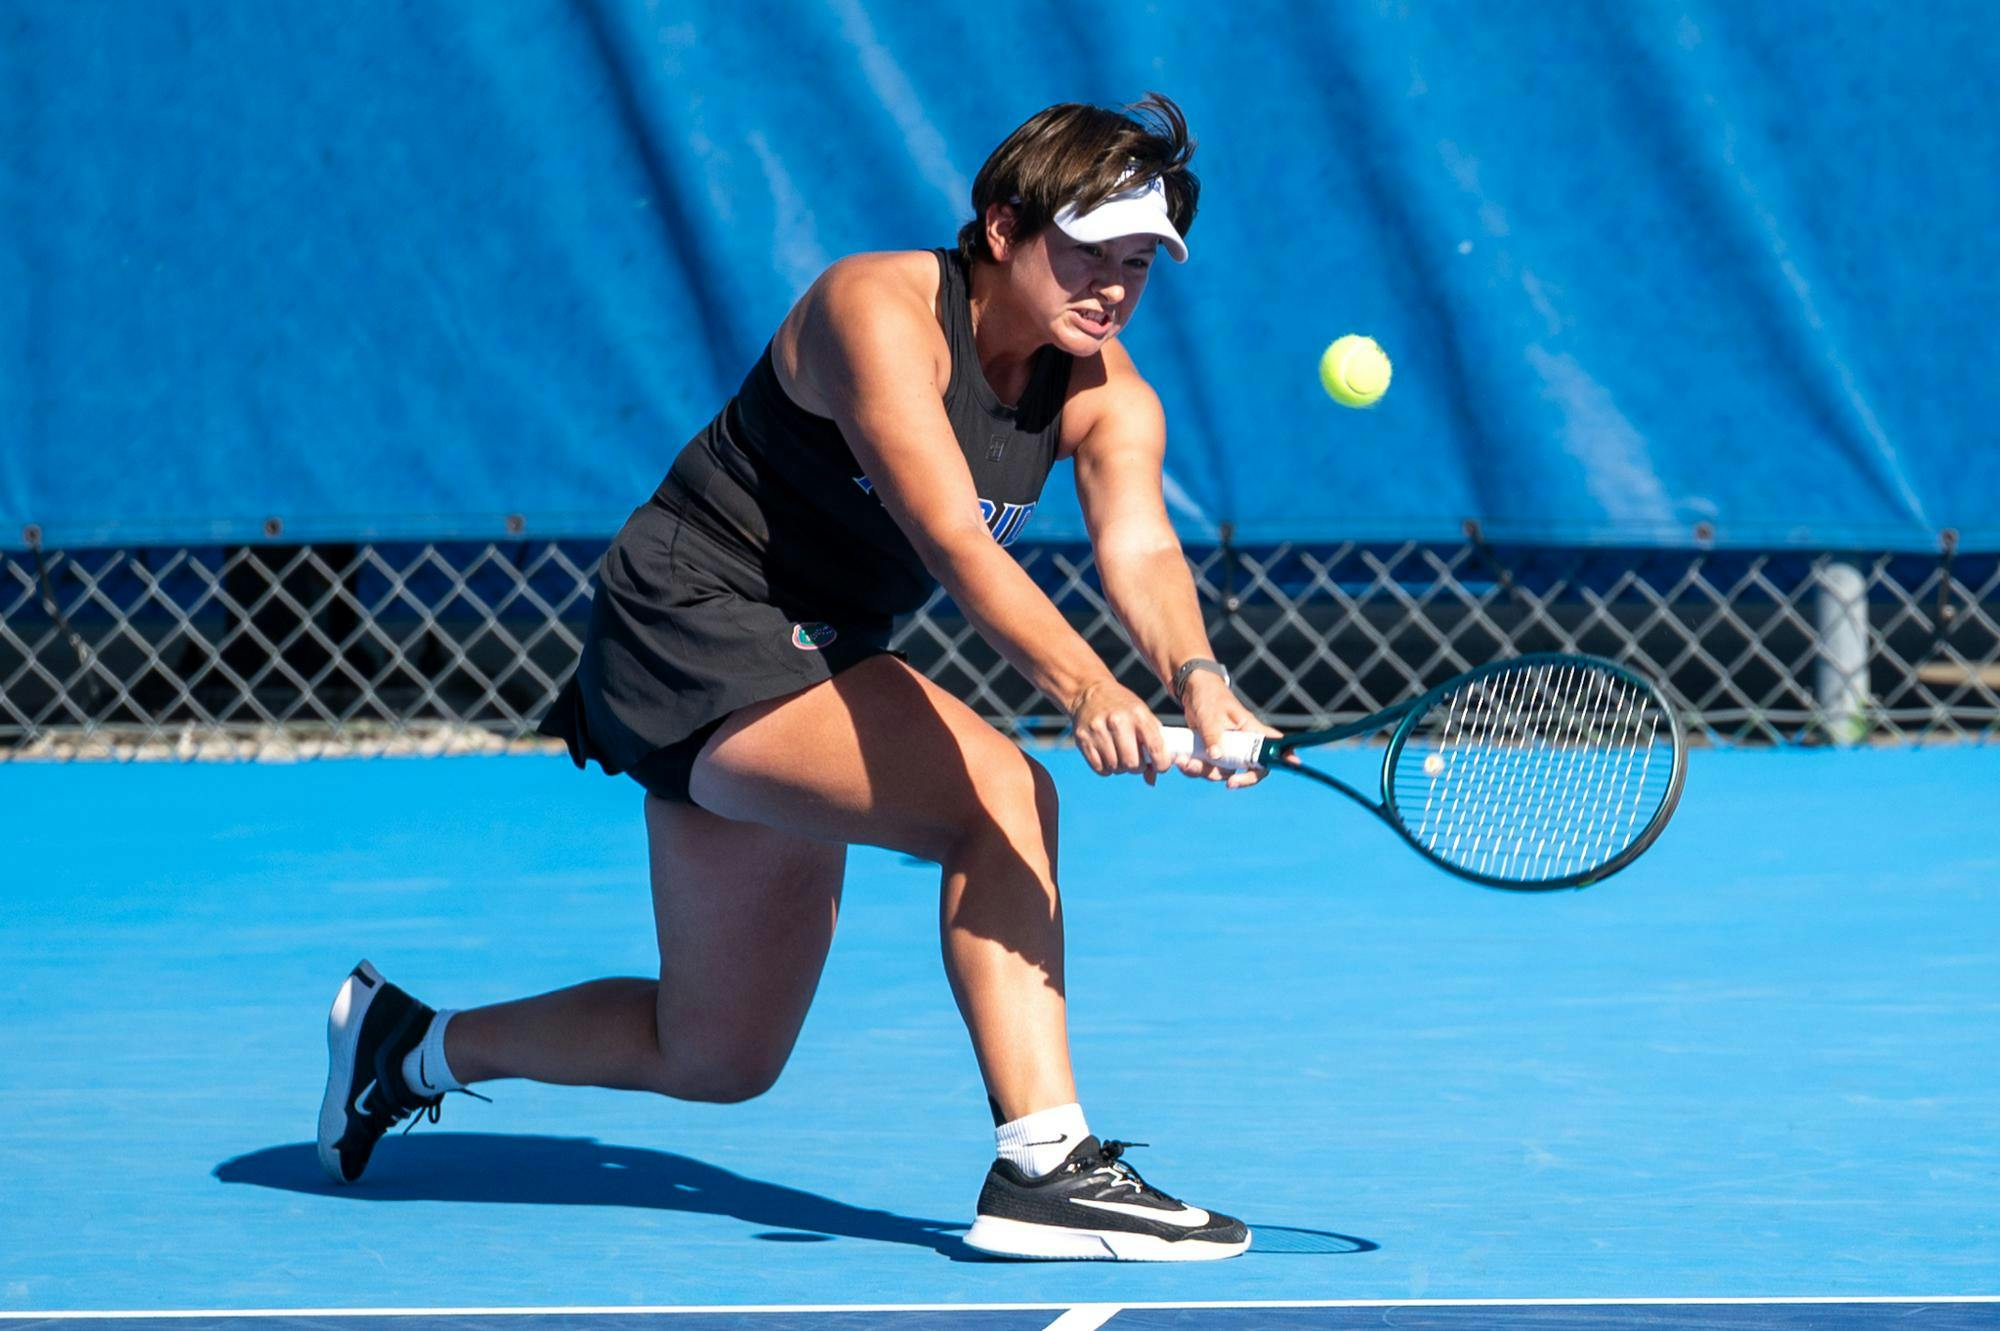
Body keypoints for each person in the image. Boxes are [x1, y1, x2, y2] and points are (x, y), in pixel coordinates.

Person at [316, 93, 1279, 1262]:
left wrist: (1195, 677)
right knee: (1004, 800)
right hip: (690, 621)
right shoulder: (873, 311)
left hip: (815, 649)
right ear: (998, 227)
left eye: (1137, 263)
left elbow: (1138, 544)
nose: (1112, 287)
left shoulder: (1107, 393)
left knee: (714, 1053)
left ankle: (408, 1044)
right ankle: (1044, 1165)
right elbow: (953, 539)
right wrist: (1085, 687)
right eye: (1086, 252)